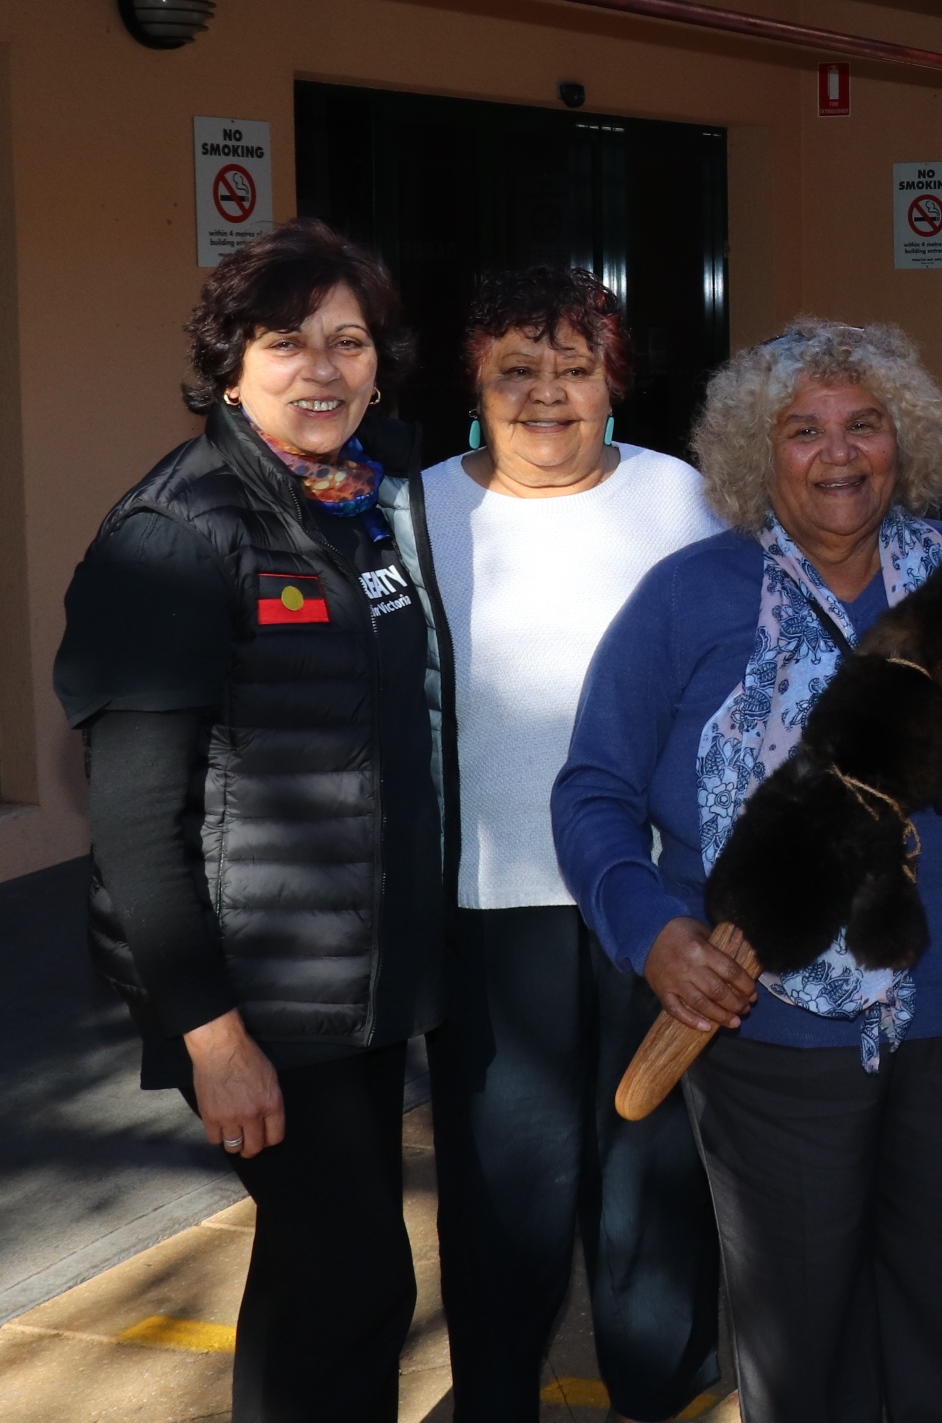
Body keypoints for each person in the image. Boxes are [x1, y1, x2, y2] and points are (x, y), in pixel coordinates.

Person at [553, 318, 942, 1422]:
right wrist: (655, 937)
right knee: (801, 1344)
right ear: (755, 458)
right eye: (803, 430)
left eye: (864, 425)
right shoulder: (688, 596)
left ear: (903, 441)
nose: (838, 451)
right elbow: (593, 794)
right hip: (765, 1029)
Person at [55, 218, 443, 1422]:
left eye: (350, 341)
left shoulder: (363, 504)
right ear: (231, 364)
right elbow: (130, 817)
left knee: (323, 1277)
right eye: (290, 343)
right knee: (351, 1278)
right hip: (258, 993)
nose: (325, 370)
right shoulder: (177, 533)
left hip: (353, 981)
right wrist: (211, 1035)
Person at [419, 267, 727, 1423]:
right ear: (476, 383)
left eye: (575, 368)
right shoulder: (417, 509)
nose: (547, 393)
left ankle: (669, 1395)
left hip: (653, 907)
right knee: (507, 1196)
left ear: (615, 383)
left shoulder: (680, 497)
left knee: (655, 1190)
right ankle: (494, 1400)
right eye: (517, 369)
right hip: (487, 906)